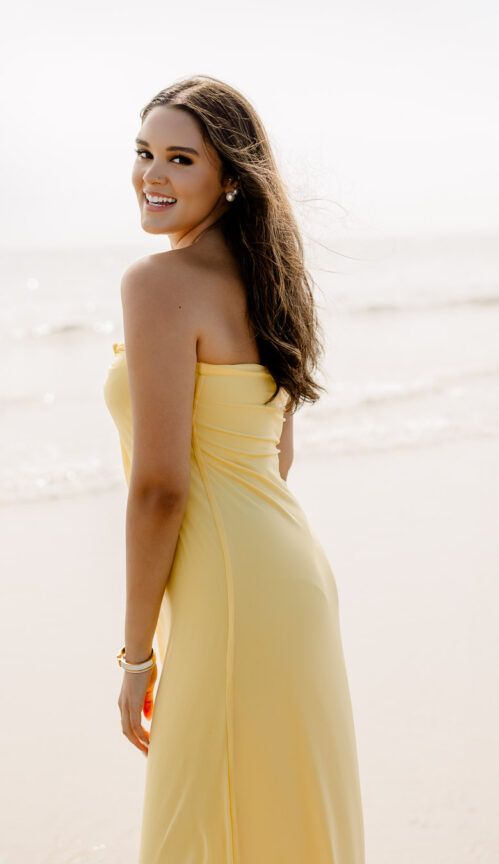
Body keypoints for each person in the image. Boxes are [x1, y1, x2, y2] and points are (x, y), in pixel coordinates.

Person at [103, 74, 365, 863]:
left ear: (229, 178)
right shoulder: (268, 282)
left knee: (197, 832)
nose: (153, 175)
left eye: (181, 158)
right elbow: (272, 458)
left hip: (231, 591)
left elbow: (159, 489)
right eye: (144, 152)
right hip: (288, 577)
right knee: (278, 821)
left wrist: (136, 656)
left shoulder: (156, 284)